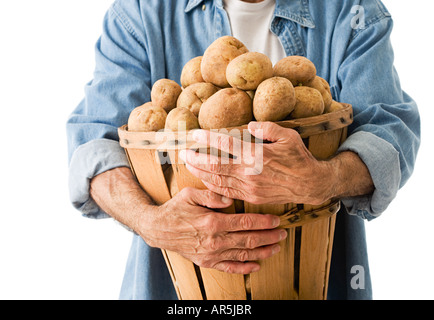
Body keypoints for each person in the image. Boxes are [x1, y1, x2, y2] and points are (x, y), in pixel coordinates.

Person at [66, 0, 420, 300]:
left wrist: (326, 179)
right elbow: (94, 142)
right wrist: (150, 222)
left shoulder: (351, 10)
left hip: (318, 278)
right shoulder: (142, 11)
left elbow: (390, 130)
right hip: (173, 288)